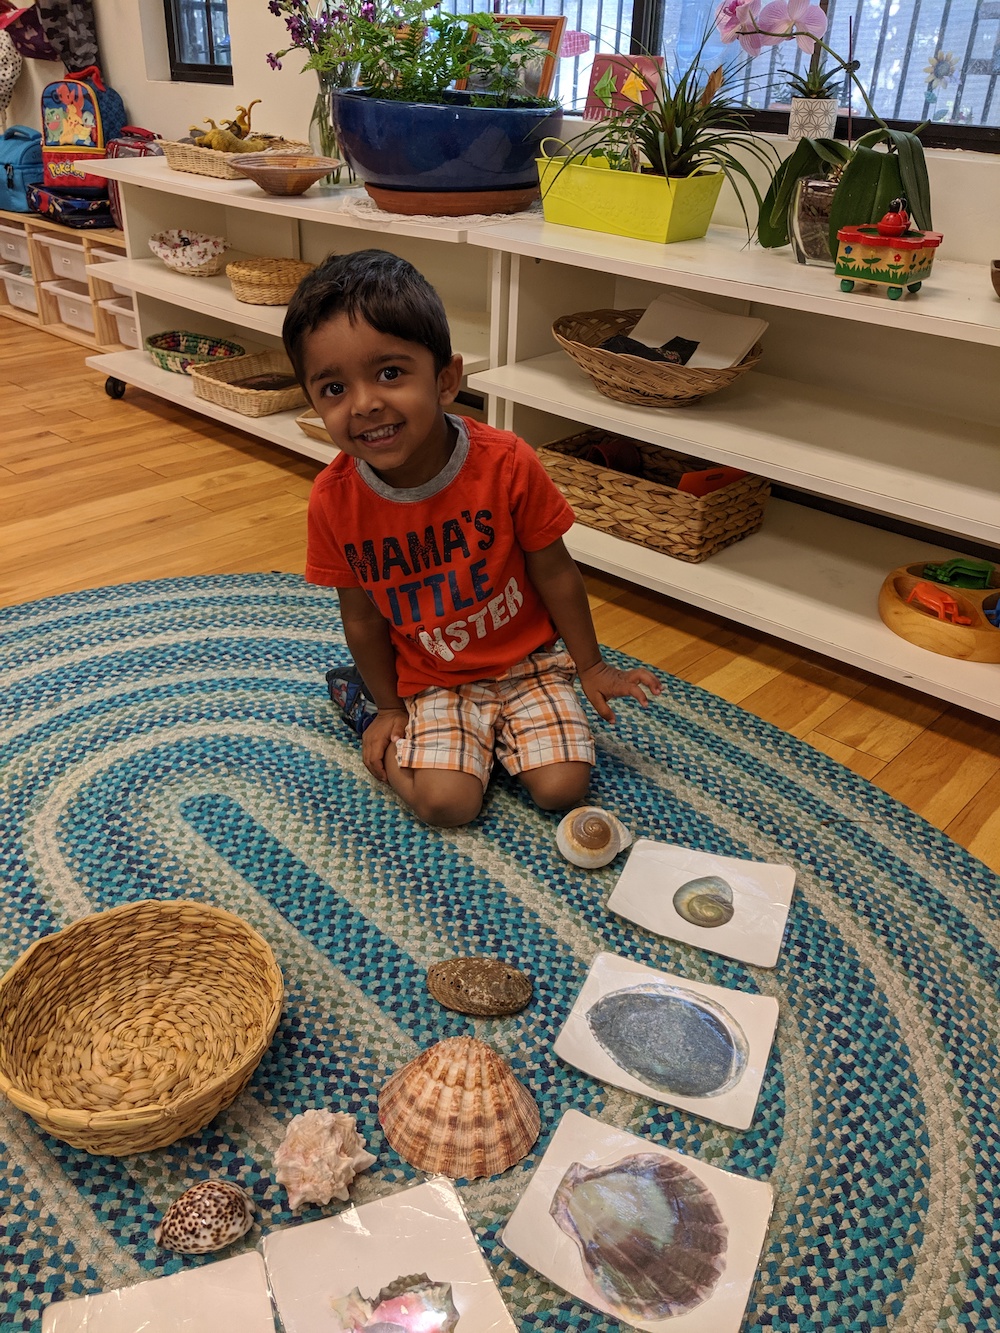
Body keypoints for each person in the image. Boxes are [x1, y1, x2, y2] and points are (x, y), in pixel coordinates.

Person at [283, 249, 660, 828]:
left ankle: (493, 741)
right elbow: (360, 617)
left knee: (563, 789)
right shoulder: (333, 501)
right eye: (333, 388)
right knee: (445, 805)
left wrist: (589, 666)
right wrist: (387, 707)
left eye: (390, 373)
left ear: (446, 379)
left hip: (528, 662)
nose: (364, 404)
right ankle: (359, 704)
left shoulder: (506, 463)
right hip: (433, 676)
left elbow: (555, 572)